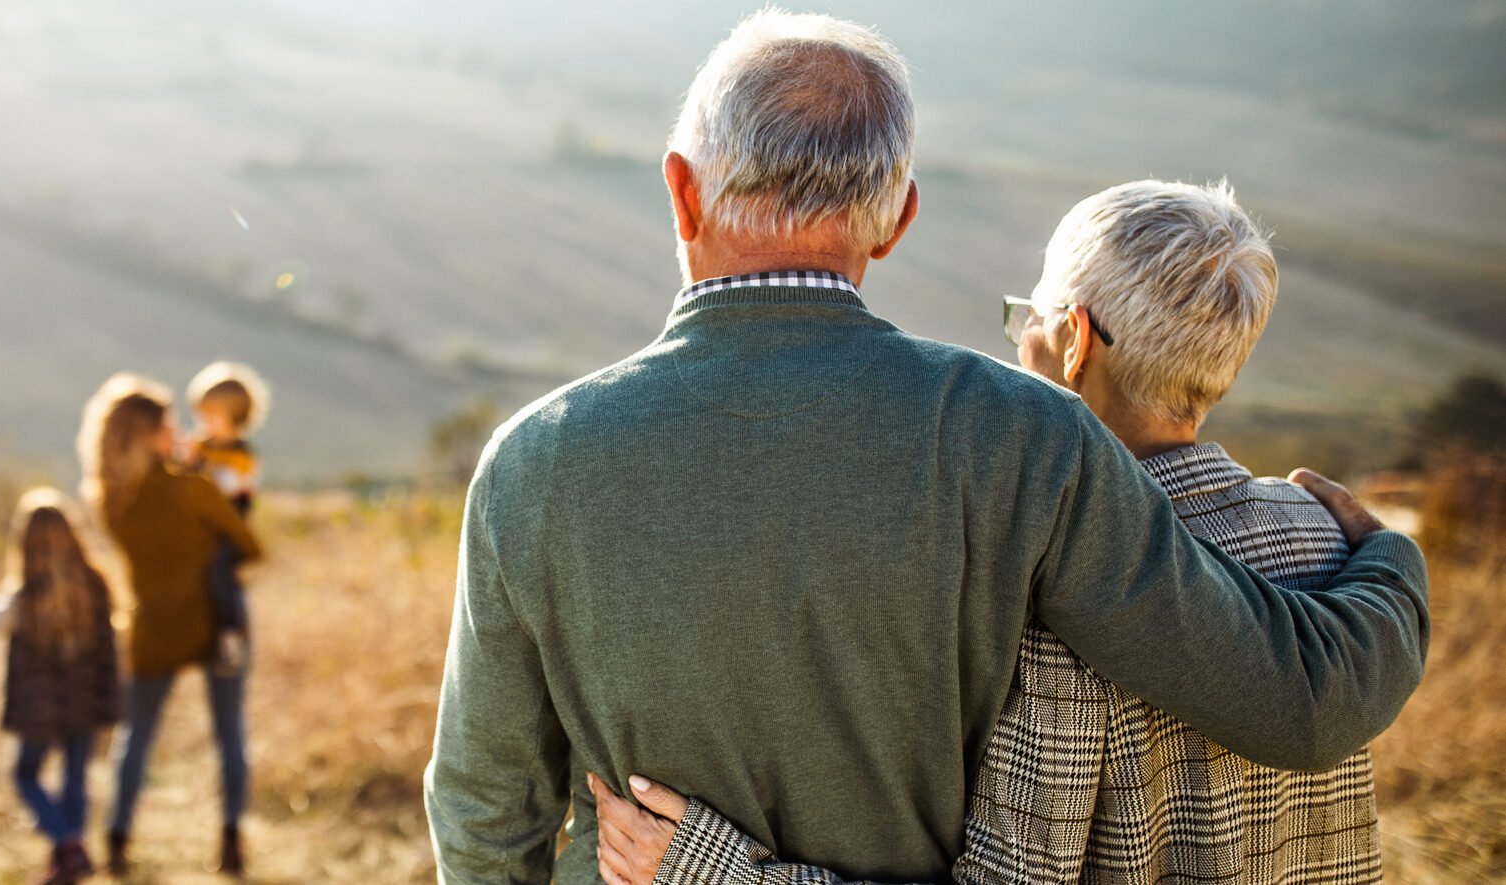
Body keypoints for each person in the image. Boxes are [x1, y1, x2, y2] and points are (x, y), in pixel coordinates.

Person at [421, 12, 1428, 884]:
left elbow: (484, 810)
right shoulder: (1025, 435)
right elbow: (1288, 699)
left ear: (682, 193)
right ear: (897, 219)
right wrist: (1387, 561)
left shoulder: (532, 462)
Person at [593, 180, 1406, 884]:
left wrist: (708, 868)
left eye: (1030, 317)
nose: (1016, 340)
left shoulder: (1051, 588)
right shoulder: (1328, 539)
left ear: (1076, 340)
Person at [78, 373, 264, 876]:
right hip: (217, 619)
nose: (180, 428)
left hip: (152, 624)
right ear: (152, 433)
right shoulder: (190, 489)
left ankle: (116, 841)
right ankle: (230, 840)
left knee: (134, 737)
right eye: (169, 423)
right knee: (230, 733)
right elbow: (249, 543)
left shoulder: (109, 500)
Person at [0, 488, 121, 884]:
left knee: (26, 775)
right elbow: (111, 651)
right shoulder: (96, 586)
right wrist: (110, 700)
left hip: (38, 711)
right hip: (85, 704)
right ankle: (69, 852)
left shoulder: (23, 594)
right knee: (75, 781)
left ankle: (67, 845)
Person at [182, 361, 271, 676]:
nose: (204, 423)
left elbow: (229, 488)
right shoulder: (200, 446)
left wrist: (200, 468)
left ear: (235, 418)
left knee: (220, 573)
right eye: (201, 414)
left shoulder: (242, 455)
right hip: (202, 529)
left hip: (230, 531)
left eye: (211, 415)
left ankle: (231, 635)